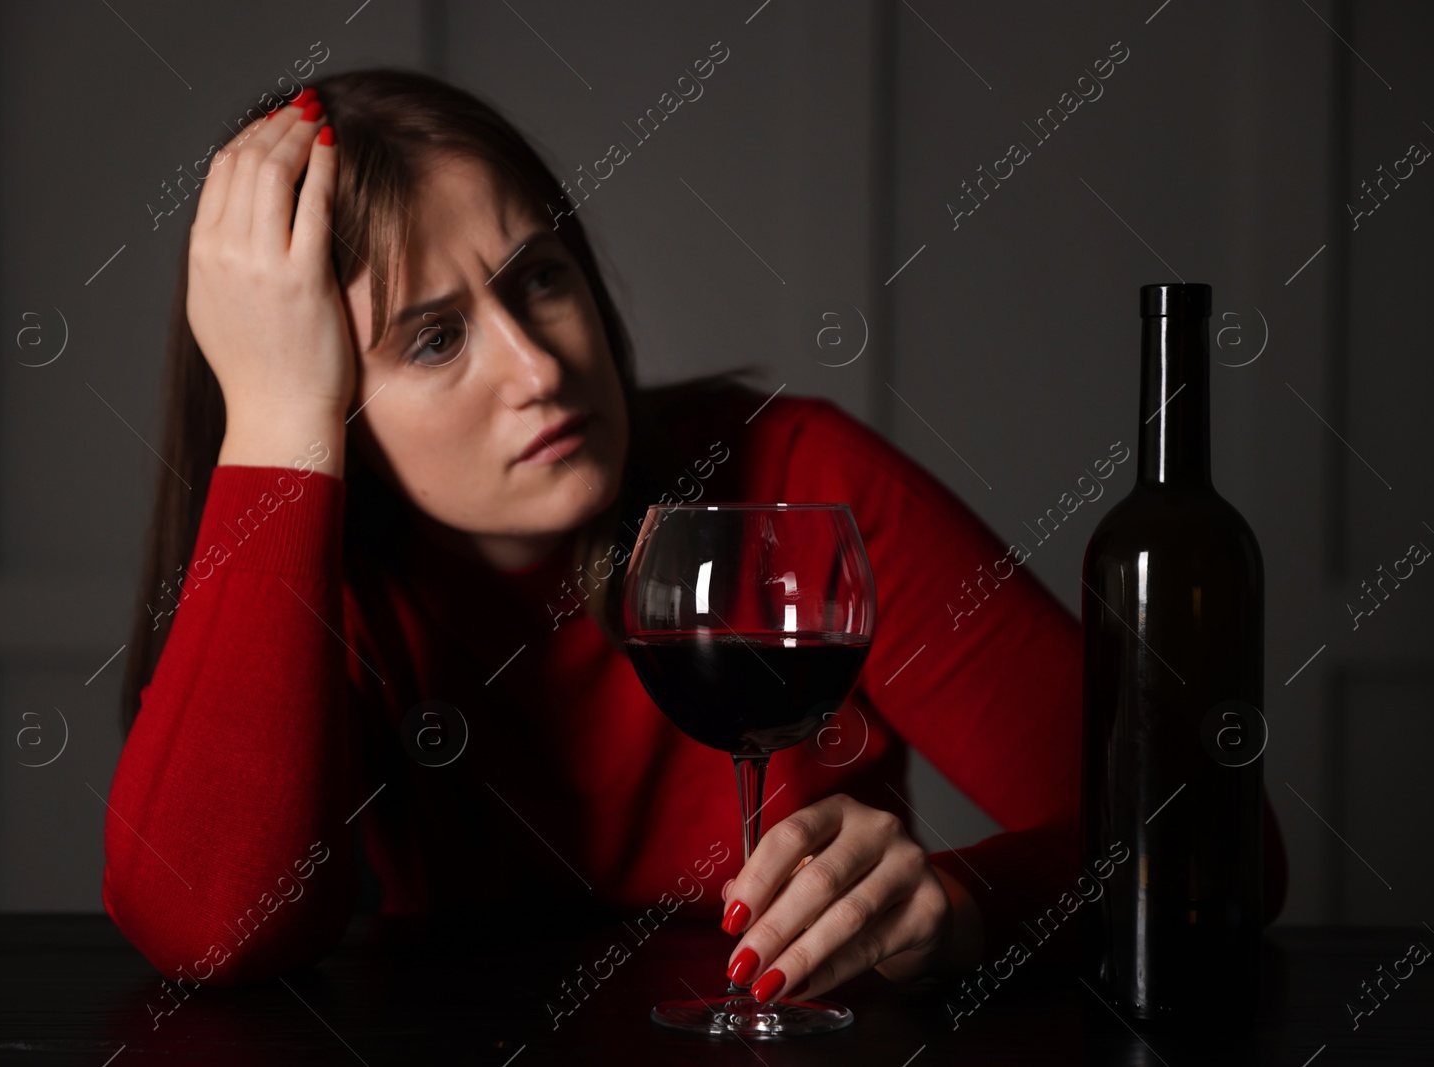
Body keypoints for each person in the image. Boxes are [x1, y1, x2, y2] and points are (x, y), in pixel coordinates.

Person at [103, 69, 1288, 1004]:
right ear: (321, 399)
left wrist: (960, 902)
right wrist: (269, 428)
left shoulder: (794, 478)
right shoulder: (326, 581)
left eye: (542, 278)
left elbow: (1211, 836)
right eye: (430, 339)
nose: (537, 365)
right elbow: (213, 930)